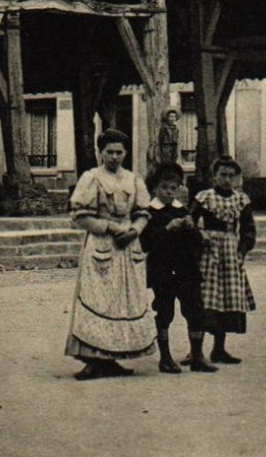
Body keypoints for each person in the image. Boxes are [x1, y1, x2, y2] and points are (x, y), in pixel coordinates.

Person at [65, 129, 157, 380]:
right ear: (100, 152)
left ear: (126, 153)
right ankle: (93, 360)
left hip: (128, 247)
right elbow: (80, 215)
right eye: (109, 152)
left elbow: (143, 212)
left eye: (119, 152)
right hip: (101, 244)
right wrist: (109, 227)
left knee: (123, 301)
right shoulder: (91, 177)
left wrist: (135, 230)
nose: (115, 157)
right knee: (98, 299)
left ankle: (114, 358)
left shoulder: (133, 179)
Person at [139, 160, 217, 375]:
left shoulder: (182, 210)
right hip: (163, 270)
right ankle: (165, 357)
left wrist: (196, 232)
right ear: (154, 188)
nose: (168, 192)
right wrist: (166, 229)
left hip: (186, 269)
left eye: (173, 188)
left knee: (195, 309)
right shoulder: (148, 213)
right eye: (164, 187)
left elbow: (193, 242)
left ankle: (197, 355)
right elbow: (146, 242)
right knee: (165, 312)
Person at [192, 155, 255, 364]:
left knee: (228, 298)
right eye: (222, 175)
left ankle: (219, 349)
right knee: (205, 298)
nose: (227, 179)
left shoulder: (241, 200)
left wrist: (242, 250)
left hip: (230, 251)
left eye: (231, 175)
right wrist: (200, 236)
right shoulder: (204, 197)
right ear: (214, 177)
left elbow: (248, 229)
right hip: (209, 252)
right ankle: (196, 350)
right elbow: (189, 222)